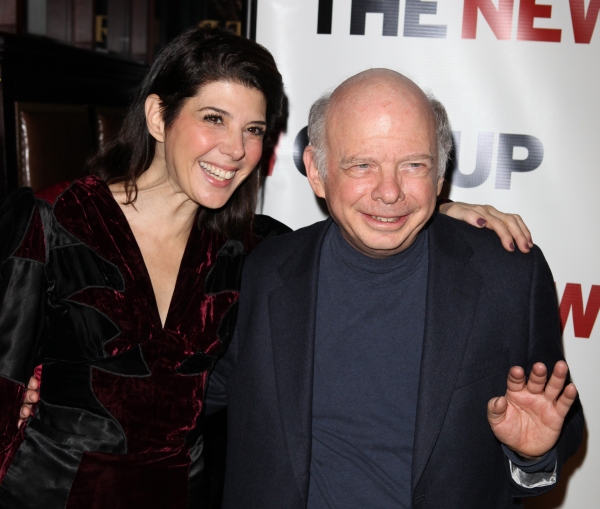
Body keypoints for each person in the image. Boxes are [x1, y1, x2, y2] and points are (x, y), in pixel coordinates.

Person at [8, 33, 536, 507]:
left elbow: (368, 218)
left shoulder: (248, 251)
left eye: (253, 128)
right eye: (213, 118)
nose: (236, 149)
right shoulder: (53, 223)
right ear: (157, 116)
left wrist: (440, 212)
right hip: (51, 493)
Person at [204, 69, 584, 508]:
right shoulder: (259, 271)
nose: (390, 192)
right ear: (316, 171)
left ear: (440, 174)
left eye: (414, 165)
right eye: (362, 165)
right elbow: (175, 403)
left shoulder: (508, 273)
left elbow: (555, 422)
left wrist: (531, 455)